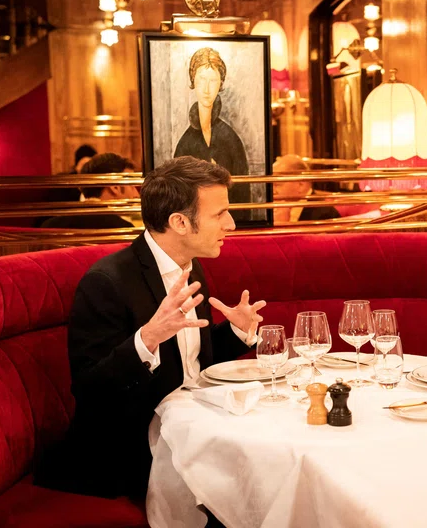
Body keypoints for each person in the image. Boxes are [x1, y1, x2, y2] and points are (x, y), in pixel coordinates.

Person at [35, 156, 266, 500]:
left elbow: (189, 361)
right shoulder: (107, 282)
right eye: (219, 214)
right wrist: (147, 339)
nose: (231, 224)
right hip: (129, 450)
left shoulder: (190, 266)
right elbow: (90, 390)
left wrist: (235, 332)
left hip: (193, 428)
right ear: (179, 223)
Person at [174, 47, 251, 209]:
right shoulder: (185, 142)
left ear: (221, 83)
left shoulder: (231, 139)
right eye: (201, 79)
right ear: (193, 80)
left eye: (213, 80)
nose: (207, 89)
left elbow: (243, 196)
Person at [41, 153, 139, 229]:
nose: (137, 194)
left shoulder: (50, 225)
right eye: (132, 186)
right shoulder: (124, 230)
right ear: (115, 187)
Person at [271, 154, 340, 223]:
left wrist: (283, 224)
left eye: (277, 185)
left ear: (301, 185)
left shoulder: (325, 214)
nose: (272, 191)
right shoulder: (271, 208)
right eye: (271, 185)